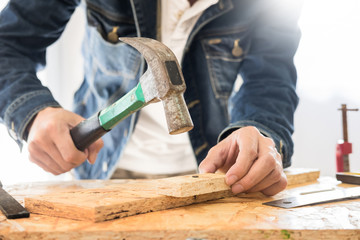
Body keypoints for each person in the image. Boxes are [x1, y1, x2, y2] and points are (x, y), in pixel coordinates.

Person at [0, 0, 302, 196]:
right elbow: (7, 45)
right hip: (101, 175)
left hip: (213, 175)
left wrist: (262, 133)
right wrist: (33, 112)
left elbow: (271, 77)